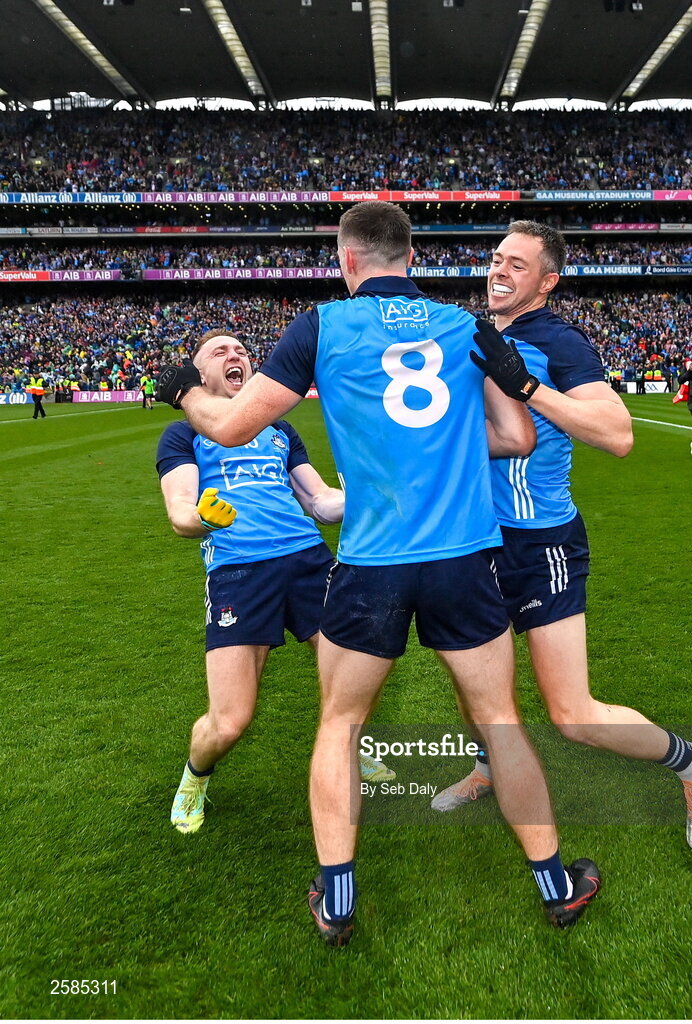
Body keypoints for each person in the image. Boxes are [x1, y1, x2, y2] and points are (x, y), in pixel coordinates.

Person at [156, 202, 602, 945]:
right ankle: (555, 885)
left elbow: (231, 425)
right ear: (410, 257)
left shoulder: (321, 326)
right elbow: (519, 435)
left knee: (339, 723)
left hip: (371, 563)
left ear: (348, 260)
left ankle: (336, 900)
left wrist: (183, 392)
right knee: (500, 722)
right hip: (464, 558)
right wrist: (448, 453)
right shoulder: (465, 328)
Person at [431, 221, 692, 852]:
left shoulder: (559, 342)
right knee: (474, 685)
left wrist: (529, 387)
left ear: (547, 280)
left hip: (541, 544)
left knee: (572, 715)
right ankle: (487, 768)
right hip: (472, 542)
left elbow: (617, 435)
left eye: (518, 264)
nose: (500, 270)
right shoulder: (468, 334)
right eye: (496, 258)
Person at [156, 328, 394, 836]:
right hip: (240, 572)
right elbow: (180, 514)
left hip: (309, 562)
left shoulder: (280, 430)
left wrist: (361, 499)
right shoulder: (183, 436)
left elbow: (320, 503)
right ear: (199, 375)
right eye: (220, 351)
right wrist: (206, 518)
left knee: (357, 671)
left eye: (241, 349)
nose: (235, 355)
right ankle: (195, 777)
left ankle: (355, 752)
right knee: (230, 721)